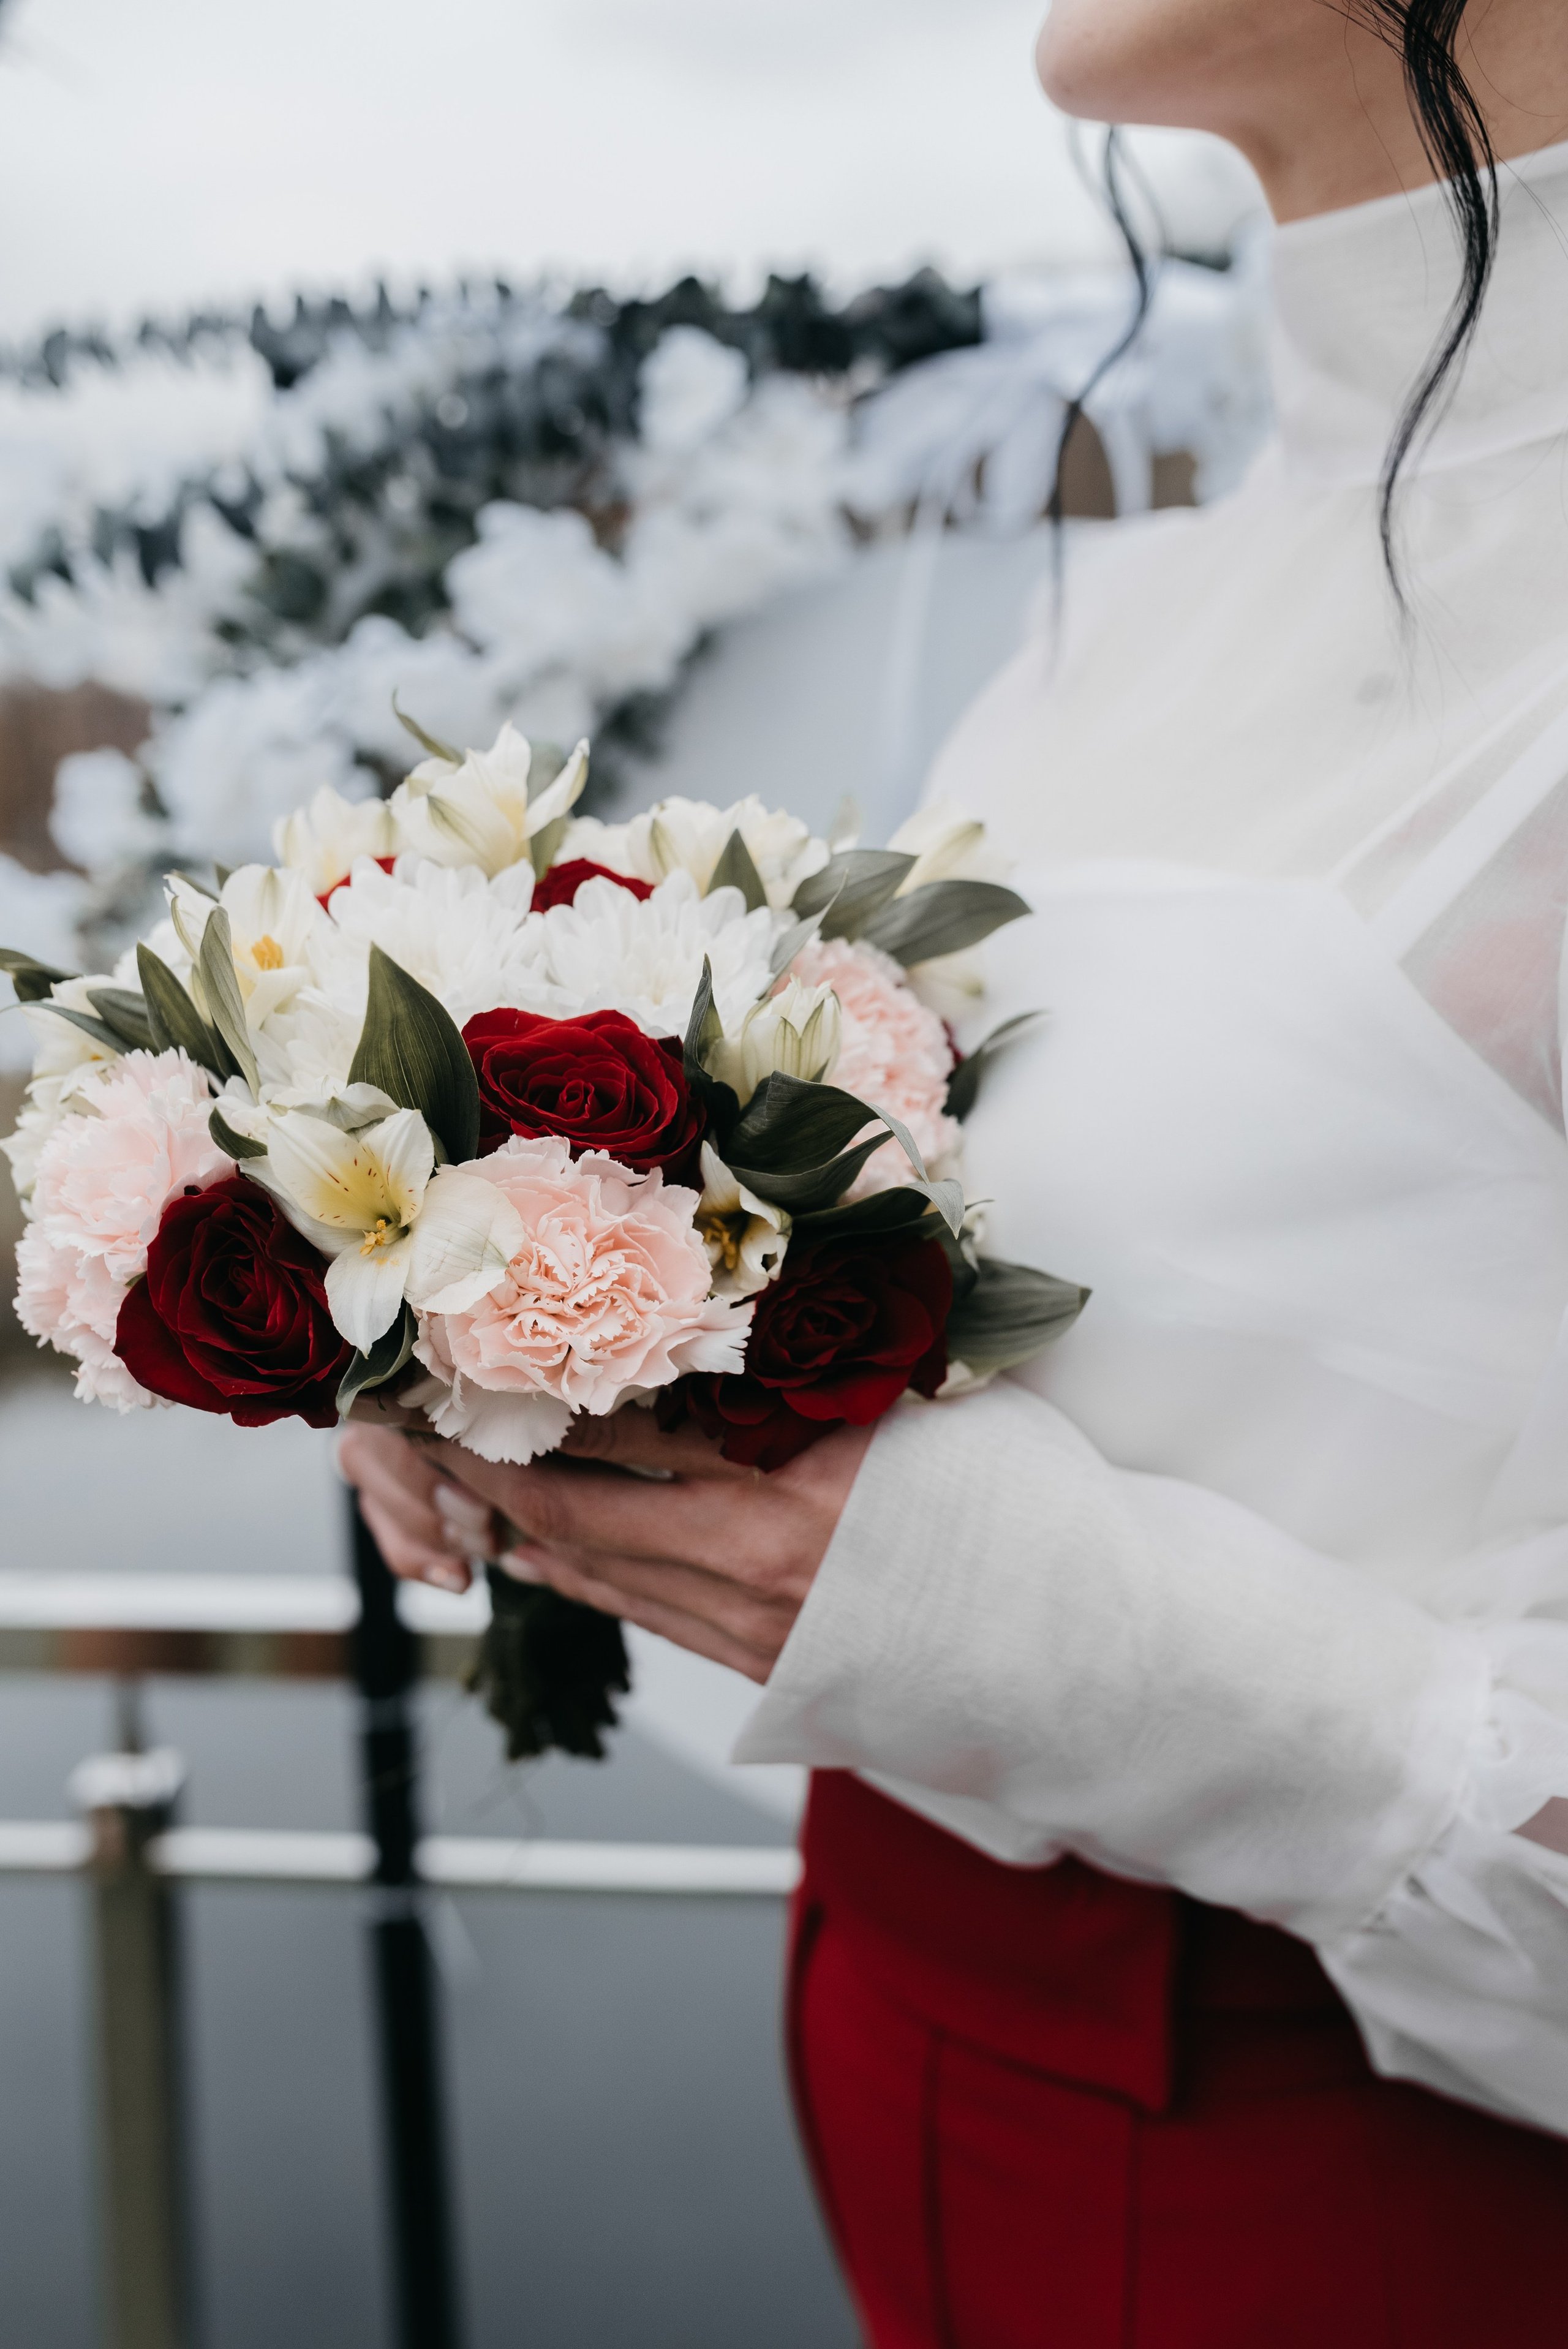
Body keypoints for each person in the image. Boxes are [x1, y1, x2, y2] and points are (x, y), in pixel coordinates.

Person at [340, 2, 1568, 2339]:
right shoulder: (1142, 586)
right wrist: (512, 1334)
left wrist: (1023, 1623)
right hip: (903, 2014)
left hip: (1362, 2169)